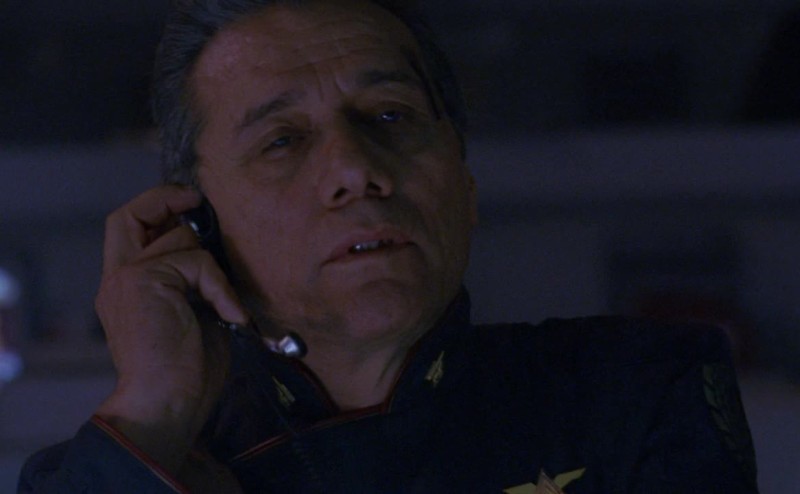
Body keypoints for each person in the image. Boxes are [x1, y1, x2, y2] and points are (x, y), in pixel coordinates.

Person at [19, 0, 758, 492]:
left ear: (463, 183)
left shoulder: (634, 391)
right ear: (195, 222)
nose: (355, 170)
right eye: (282, 140)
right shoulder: (126, 465)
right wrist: (154, 408)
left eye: (390, 115)